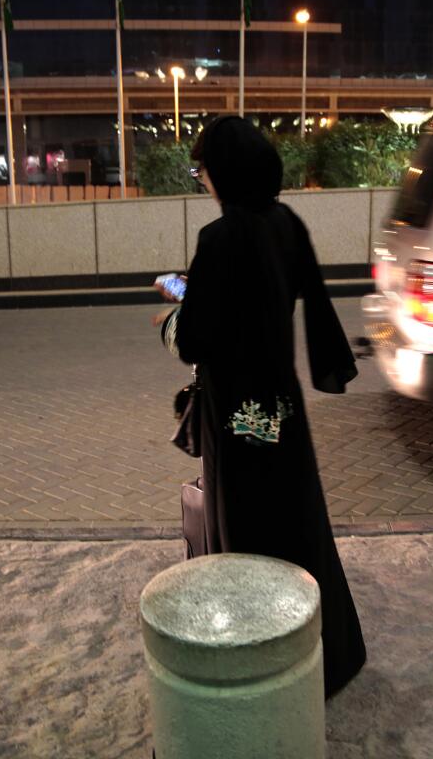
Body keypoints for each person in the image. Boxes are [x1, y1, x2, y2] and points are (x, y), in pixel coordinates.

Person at [156, 115, 366, 697]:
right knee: (297, 525)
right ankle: (326, 655)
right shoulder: (285, 223)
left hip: (236, 416)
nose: (202, 181)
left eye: (202, 170)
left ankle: (259, 662)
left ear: (222, 172)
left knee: (245, 532)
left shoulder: (219, 238)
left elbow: (196, 338)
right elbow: (267, 296)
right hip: (279, 408)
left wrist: (174, 314)